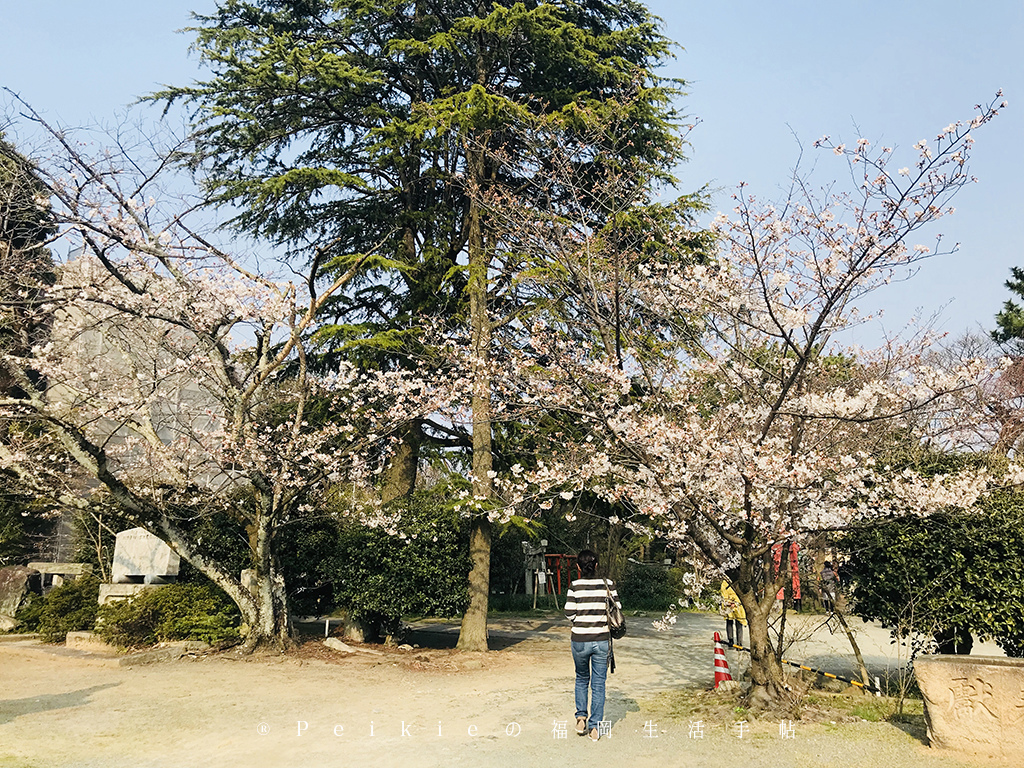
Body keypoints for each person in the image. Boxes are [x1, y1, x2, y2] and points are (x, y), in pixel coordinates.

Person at [564, 549, 620, 742]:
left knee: (581, 678)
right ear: (596, 565)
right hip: (602, 640)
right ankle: (595, 728)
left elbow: (569, 613)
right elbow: (617, 610)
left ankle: (581, 718)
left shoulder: (575, 586)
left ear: (578, 567)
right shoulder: (608, 584)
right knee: (598, 684)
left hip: (579, 640)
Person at [720, 579, 746, 647]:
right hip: (729, 604)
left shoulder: (740, 580)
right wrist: (728, 602)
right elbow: (723, 592)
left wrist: (737, 602)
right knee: (729, 622)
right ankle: (730, 640)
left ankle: (739, 642)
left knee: (739, 623)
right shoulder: (725, 582)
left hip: (738, 604)